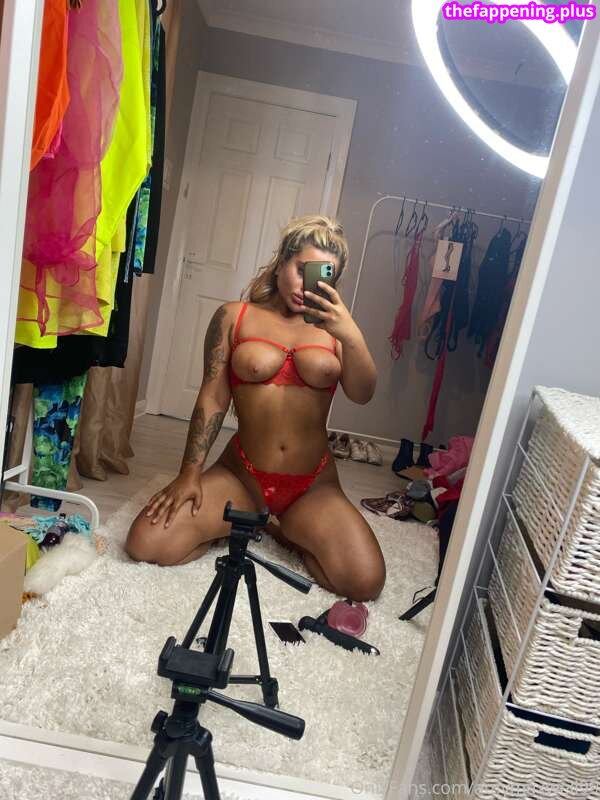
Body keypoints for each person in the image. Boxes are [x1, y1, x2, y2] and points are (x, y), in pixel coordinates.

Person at [126, 215, 386, 601]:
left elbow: (362, 393)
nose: (306, 285)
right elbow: (212, 397)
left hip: (312, 485)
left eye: (322, 275)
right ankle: (242, 524)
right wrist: (189, 474)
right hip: (242, 477)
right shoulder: (235, 317)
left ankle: (286, 530)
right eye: (301, 269)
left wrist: (351, 334)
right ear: (281, 263)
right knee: (145, 543)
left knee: (365, 581)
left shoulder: (336, 333)